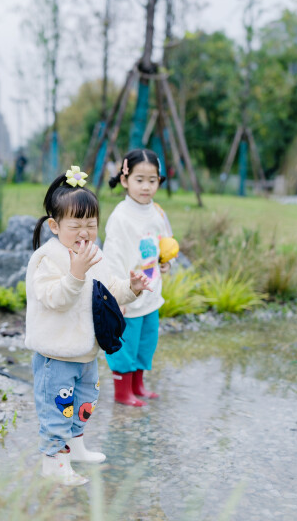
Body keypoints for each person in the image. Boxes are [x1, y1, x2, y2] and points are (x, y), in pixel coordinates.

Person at [25, 166, 152, 486]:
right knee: (58, 411)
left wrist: (133, 287)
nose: (84, 232)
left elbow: (109, 292)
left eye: (91, 225)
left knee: (83, 404)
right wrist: (76, 273)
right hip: (57, 354)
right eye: (75, 225)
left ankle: (76, 448)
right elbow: (54, 298)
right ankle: (53, 463)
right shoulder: (47, 258)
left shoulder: (94, 254)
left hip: (85, 351)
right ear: (54, 225)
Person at [103, 149, 173, 407]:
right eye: (139, 180)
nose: (146, 187)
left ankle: (138, 384)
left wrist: (166, 263)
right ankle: (123, 392)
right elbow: (113, 257)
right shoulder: (120, 217)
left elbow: (165, 242)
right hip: (128, 295)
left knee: (146, 342)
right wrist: (118, 294)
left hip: (151, 291)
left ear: (159, 181)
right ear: (125, 180)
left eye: (152, 180)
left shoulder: (157, 212)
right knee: (126, 344)